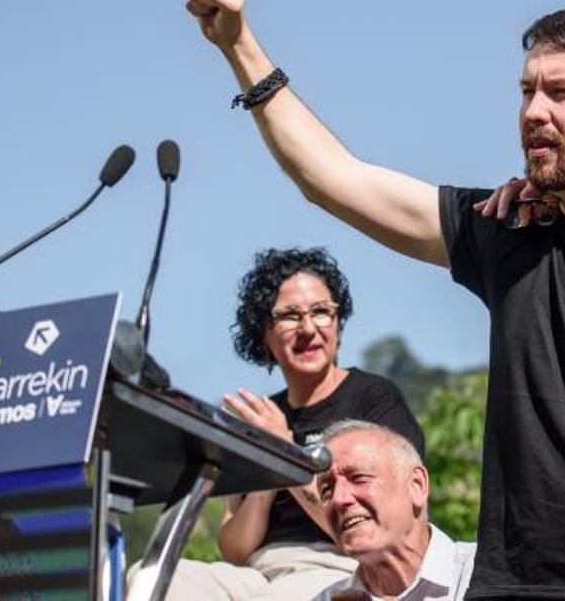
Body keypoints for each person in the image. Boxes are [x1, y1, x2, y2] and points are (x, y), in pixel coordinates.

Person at [188, 0, 565, 597]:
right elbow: (331, 178)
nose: (535, 112)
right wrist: (239, 46)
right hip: (516, 588)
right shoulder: (503, 228)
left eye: (562, 93)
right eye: (527, 91)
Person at [163, 248, 424, 600]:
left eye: (321, 312)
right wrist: (266, 467)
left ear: (339, 324)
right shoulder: (262, 417)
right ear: (264, 338)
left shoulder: (373, 398)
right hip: (258, 572)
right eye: (289, 316)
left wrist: (287, 455)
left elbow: (393, 523)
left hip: (340, 565)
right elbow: (236, 549)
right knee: (154, 579)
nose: (307, 328)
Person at [312, 420, 475, 601]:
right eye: (327, 490)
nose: (339, 499)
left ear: (417, 485)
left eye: (358, 478)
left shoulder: (484, 572)